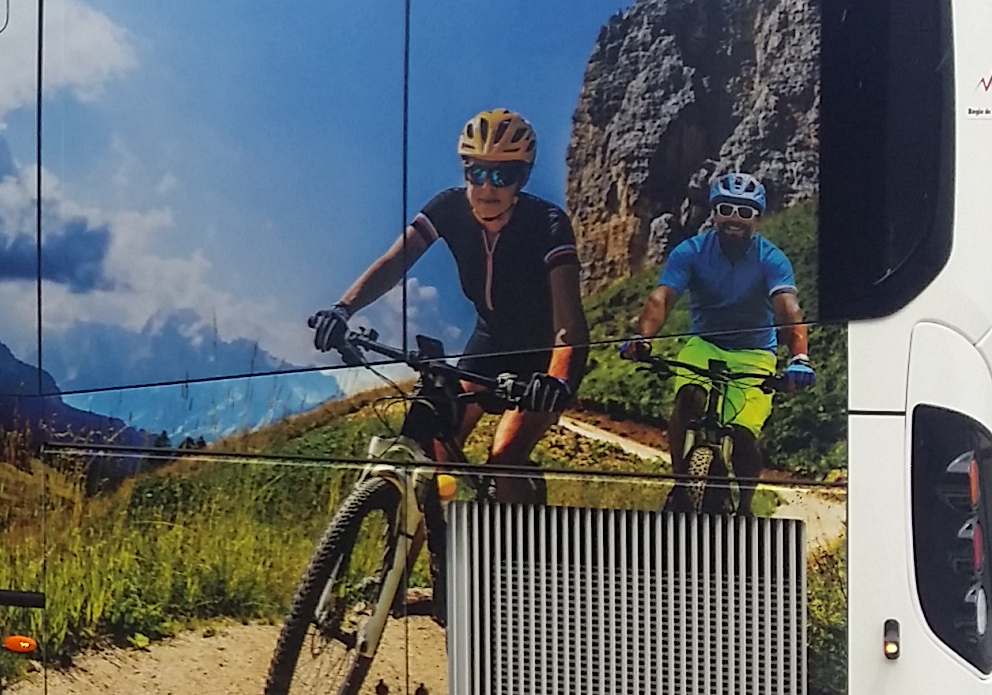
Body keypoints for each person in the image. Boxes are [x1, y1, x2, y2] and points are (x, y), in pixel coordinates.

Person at [309, 108, 585, 504]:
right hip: (489, 342)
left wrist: (557, 380)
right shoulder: (448, 207)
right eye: (477, 172)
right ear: (465, 171)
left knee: (503, 459)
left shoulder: (548, 223)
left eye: (502, 175)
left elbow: (568, 324)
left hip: (542, 353)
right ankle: (426, 542)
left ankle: (525, 537)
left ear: (522, 179)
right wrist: (343, 309)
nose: (486, 187)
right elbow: (394, 262)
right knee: (433, 455)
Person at [621, 170, 814, 508]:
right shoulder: (691, 251)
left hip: (755, 352)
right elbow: (662, 297)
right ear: (714, 212)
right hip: (704, 343)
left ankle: (745, 505)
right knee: (687, 398)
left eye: (745, 211)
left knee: (744, 436)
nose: (734, 218)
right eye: (726, 209)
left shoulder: (771, 259)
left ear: (757, 217)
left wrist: (799, 357)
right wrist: (643, 338)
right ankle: (681, 485)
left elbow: (788, 308)